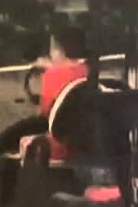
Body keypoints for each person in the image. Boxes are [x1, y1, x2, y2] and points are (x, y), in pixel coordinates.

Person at [20, 25, 89, 162]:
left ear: (59, 50)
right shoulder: (87, 70)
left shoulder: (51, 75)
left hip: (61, 144)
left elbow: (46, 113)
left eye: (52, 49)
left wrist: (52, 69)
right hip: (85, 142)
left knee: (23, 140)